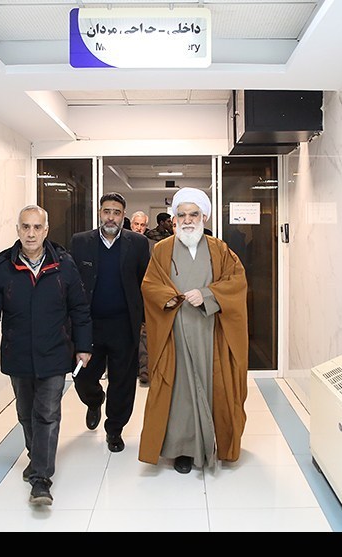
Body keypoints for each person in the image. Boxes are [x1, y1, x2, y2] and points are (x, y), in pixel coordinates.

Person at [0, 205, 92, 506]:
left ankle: (41, 479)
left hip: (55, 352)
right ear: (18, 229)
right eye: (25, 227)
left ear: (46, 230)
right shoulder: (2, 267)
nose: (31, 233)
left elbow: (79, 308)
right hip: (18, 354)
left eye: (37, 227)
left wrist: (84, 346)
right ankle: (37, 456)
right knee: (26, 414)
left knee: (47, 414)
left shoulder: (64, 264)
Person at [138, 187, 248, 475]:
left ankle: (211, 444)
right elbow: (150, 284)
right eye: (182, 215)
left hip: (210, 332)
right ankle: (182, 450)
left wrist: (207, 294)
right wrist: (168, 297)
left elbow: (236, 282)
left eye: (194, 215)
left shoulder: (220, 249)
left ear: (204, 217)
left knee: (215, 388)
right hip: (175, 332)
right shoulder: (162, 249)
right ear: (174, 219)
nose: (187, 220)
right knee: (180, 393)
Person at [70, 192, 151, 453]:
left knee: (122, 382)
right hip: (89, 325)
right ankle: (94, 401)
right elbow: (71, 283)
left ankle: (114, 429)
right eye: (107, 211)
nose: (111, 217)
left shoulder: (138, 243)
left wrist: (144, 320)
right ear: (99, 213)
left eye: (116, 212)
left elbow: (145, 281)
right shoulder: (80, 242)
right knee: (83, 377)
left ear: (123, 216)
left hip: (124, 325)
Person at [130, 210, 153, 386]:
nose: (139, 228)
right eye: (136, 224)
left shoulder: (153, 246)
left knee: (144, 334)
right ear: (131, 224)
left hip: (145, 296)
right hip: (126, 296)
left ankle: (145, 370)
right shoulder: (120, 243)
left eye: (142, 225)